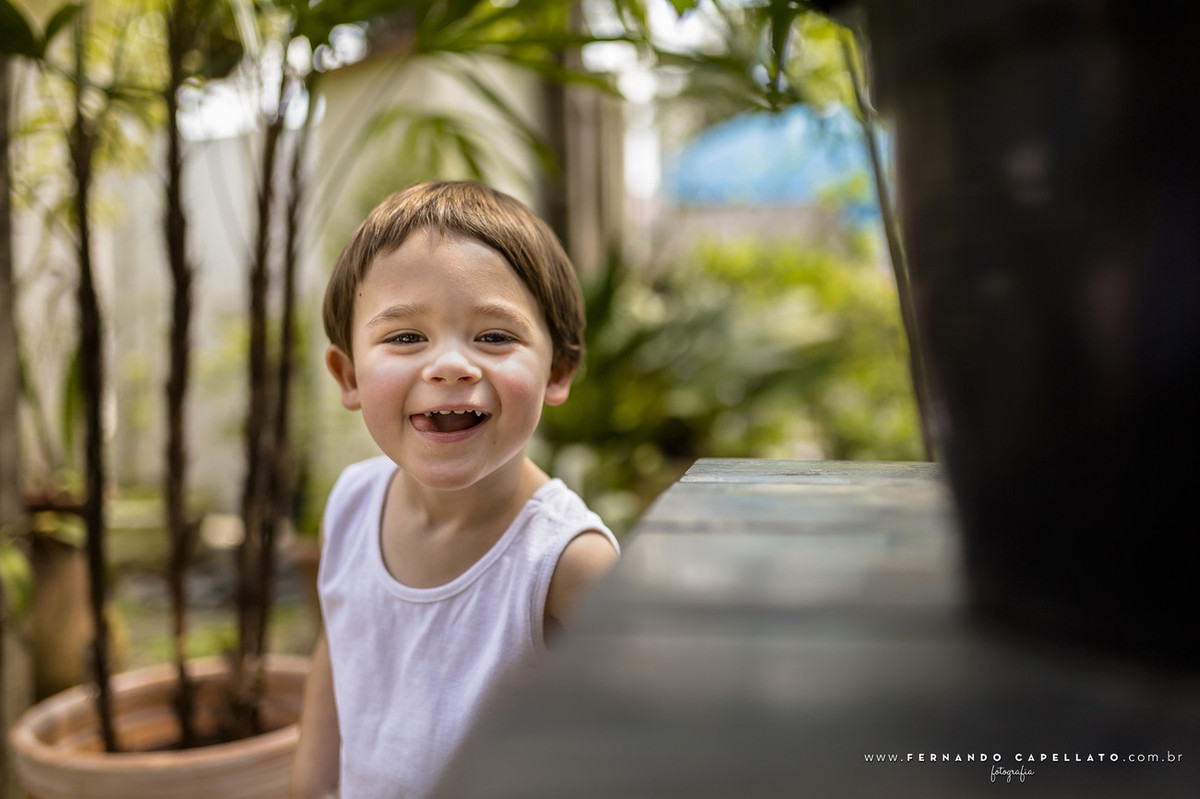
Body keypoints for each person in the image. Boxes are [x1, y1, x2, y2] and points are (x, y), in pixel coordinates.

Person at [289, 181, 620, 798]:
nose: (450, 366)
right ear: (349, 374)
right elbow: (338, 659)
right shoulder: (352, 504)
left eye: (494, 336)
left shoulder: (568, 563)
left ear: (557, 370)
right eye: (405, 336)